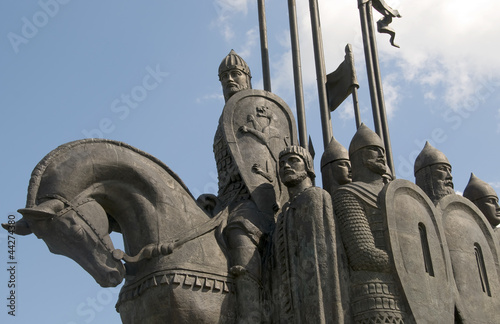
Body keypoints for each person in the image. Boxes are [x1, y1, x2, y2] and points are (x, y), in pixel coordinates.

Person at [332, 124, 409, 324]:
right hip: (377, 293)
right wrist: (409, 265)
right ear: (360, 157)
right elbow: (362, 254)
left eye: (381, 151)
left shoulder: (400, 196)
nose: (381, 155)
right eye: (373, 151)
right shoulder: (348, 194)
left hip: (412, 291)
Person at [270, 145, 342, 323]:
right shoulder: (285, 211)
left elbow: (320, 259)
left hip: (315, 298)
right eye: (282, 163)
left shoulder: (315, 196)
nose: (286, 166)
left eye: (294, 160)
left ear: (308, 166)